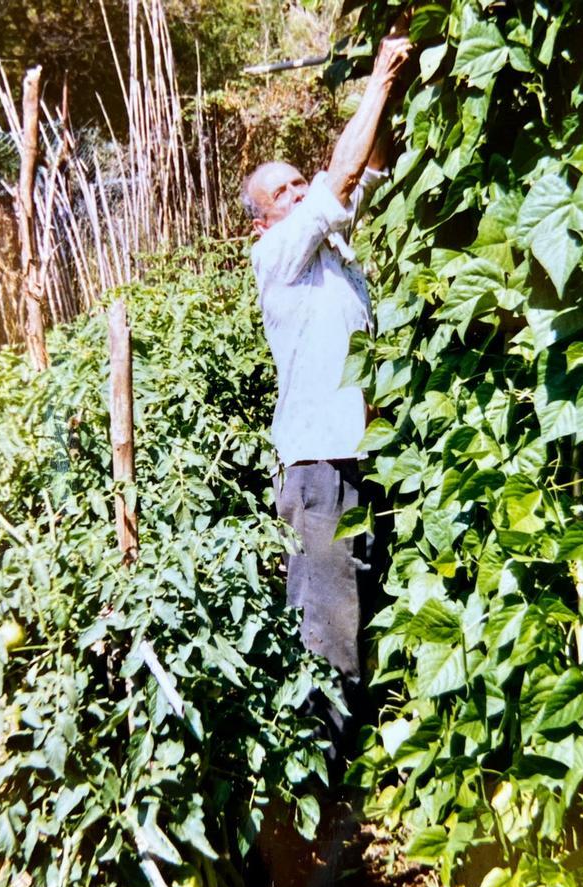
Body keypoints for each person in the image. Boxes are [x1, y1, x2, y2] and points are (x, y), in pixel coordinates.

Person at [241, 18, 412, 761]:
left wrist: (395, 86)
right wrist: (375, 75)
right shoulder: (278, 255)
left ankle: (350, 765)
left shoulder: (332, 255)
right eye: (284, 189)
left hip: (354, 455)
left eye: (299, 178)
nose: (301, 187)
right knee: (326, 622)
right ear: (265, 217)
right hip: (315, 466)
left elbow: (369, 167)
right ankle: (319, 779)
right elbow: (342, 177)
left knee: (360, 603)